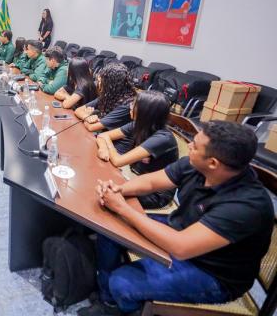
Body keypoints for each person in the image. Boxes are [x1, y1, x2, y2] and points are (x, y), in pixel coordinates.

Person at [80, 121, 274, 316]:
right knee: (110, 227)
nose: (188, 146)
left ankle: (123, 308)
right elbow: (151, 182)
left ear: (213, 162)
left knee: (121, 283)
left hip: (213, 273)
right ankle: (108, 297)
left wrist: (123, 208)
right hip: (182, 234)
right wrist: (118, 189)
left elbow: (181, 248)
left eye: (194, 146)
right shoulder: (197, 165)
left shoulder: (246, 206)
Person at [96, 90, 178, 209]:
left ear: (146, 112)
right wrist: (103, 149)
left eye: (134, 105)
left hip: (154, 193)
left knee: (104, 195)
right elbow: (102, 136)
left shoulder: (163, 138)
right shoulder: (139, 124)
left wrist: (107, 143)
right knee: (101, 184)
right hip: (135, 178)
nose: (130, 107)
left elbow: (118, 161)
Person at [75, 63, 136, 132]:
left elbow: (92, 127)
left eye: (101, 81)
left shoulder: (127, 105)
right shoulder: (109, 95)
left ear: (111, 84)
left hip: (113, 141)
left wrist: (87, 117)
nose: (98, 84)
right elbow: (78, 110)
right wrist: (87, 117)